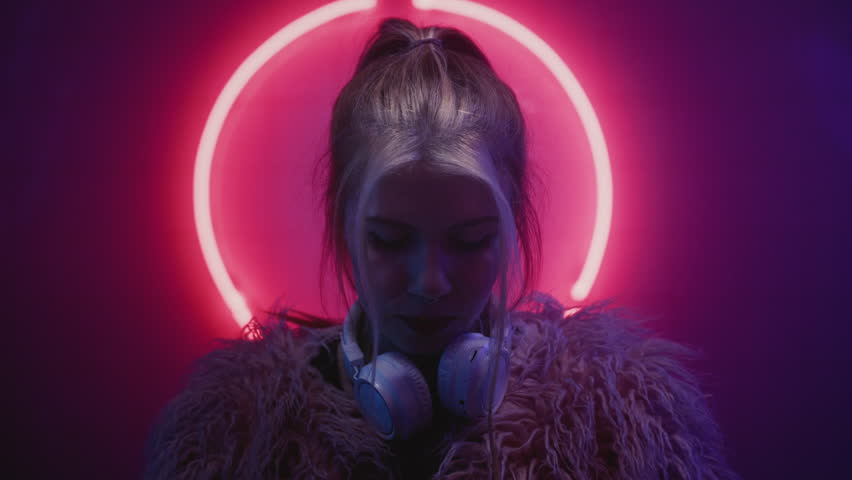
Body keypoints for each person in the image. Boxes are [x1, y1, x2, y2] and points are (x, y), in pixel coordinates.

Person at [144, 18, 739, 479]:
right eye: (390, 239)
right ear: (343, 226)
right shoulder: (235, 433)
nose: (431, 281)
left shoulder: (627, 428)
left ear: (512, 227)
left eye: (470, 240)